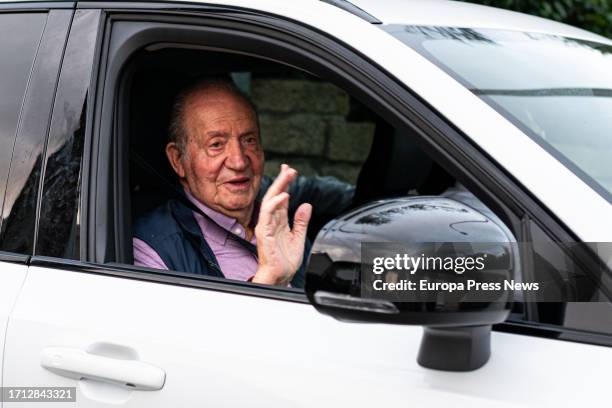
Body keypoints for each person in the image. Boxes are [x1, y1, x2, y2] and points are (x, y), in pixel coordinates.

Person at [133, 79, 354, 287]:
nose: (239, 161)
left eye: (249, 140)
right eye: (216, 144)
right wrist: (268, 281)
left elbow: (340, 291)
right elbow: (176, 329)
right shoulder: (152, 249)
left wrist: (386, 276)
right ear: (178, 160)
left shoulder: (275, 209)